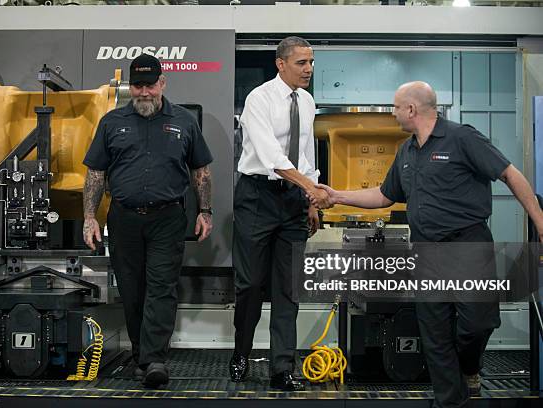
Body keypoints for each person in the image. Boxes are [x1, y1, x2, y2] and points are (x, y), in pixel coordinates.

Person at [311, 81, 543, 407]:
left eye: (394, 107)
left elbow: (510, 174)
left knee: (479, 322)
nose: (392, 114)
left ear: (411, 109)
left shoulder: (462, 137)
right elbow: (384, 195)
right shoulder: (406, 151)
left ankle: (469, 367)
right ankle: (451, 401)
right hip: (425, 251)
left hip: (467, 245)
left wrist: (540, 220)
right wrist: (337, 195)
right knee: (434, 334)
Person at [82, 54, 213, 388]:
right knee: (131, 289)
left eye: (150, 85)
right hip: (123, 219)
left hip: (167, 218)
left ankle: (155, 359)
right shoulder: (112, 123)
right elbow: (95, 173)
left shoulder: (184, 121)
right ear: (130, 86)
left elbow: (201, 171)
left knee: (161, 287)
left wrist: (205, 211)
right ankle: (143, 352)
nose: (143, 92)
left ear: (162, 83)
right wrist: (88, 218)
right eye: (137, 85)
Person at [230, 36, 331, 391]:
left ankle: (281, 367)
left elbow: (306, 153)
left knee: (289, 289)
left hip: (292, 201)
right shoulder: (259, 98)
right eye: (302, 63)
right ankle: (241, 352)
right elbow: (271, 155)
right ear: (281, 64)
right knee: (251, 284)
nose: (309, 69)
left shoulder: (307, 101)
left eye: (312, 62)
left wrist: (309, 200)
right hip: (257, 196)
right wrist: (311, 187)